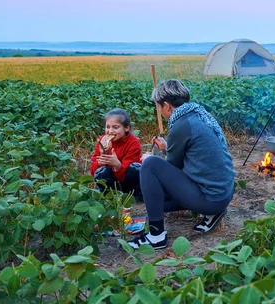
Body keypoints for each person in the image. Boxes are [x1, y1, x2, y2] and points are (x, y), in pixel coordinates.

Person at [127, 80, 236, 250]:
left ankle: (156, 236)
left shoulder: (181, 126)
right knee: (156, 202)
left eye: (159, 107)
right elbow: (194, 155)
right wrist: (167, 148)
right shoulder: (198, 114)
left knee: (150, 166)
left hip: (211, 199)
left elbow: (173, 166)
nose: (160, 111)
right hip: (224, 193)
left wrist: (151, 158)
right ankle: (214, 212)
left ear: (167, 106)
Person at [90, 109, 142, 197]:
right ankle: (110, 194)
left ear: (126, 128)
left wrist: (117, 165)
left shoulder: (133, 143)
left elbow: (128, 172)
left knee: (136, 168)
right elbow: (93, 171)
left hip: (128, 178)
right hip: (112, 179)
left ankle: (134, 193)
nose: (110, 131)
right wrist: (101, 159)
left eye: (115, 127)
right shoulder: (103, 141)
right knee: (101, 172)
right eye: (108, 127)